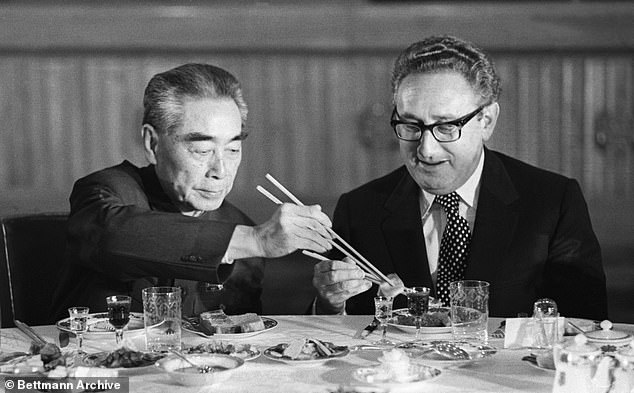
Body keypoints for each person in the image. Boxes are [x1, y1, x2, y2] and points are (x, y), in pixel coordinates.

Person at [312, 36, 608, 320]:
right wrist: (329, 305)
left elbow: (587, 331)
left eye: (446, 127)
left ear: (487, 121)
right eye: (411, 126)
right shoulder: (359, 210)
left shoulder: (553, 203)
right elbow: (329, 338)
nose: (426, 150)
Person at [51, 63, 333, 320]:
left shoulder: (240, 228)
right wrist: (255, 240)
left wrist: (329, 304)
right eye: (202, 150)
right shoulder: (105, 192)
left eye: (233, 149)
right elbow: (112, 235)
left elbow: (242, 341)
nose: (220, 170)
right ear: (152, 144)